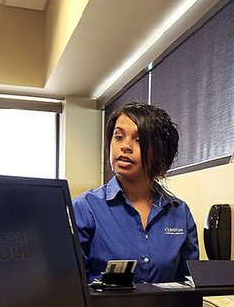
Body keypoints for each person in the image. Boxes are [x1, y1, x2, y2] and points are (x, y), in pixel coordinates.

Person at [72, 103, 199, 284]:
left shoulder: (179, 212)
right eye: (119, 137)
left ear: (161, 152)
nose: (125, 147)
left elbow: (188, 285)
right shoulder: (85, 208)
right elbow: (73, 289)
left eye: (139, 140)